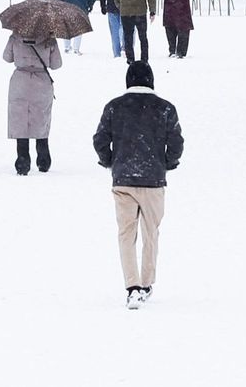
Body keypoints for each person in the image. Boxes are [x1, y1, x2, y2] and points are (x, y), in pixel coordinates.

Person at [94, 61, 184, 310]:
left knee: (126, 234)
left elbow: (100, 139)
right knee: (151, 233)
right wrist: (167, 163)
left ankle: (131, 286)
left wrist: (110, 162)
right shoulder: (166, 109)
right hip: (154, 180)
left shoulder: (114, 107)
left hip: (123, 179)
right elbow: (176, 142)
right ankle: (146, 283)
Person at [4, 27, 62, 175]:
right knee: (41, 118)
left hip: (20, 82)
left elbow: (7, 57)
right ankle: (43, 159)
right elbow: (56, 64)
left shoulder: (16, 36)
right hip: (41, 82)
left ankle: (22, 160)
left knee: (20, 119)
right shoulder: (49, 39)